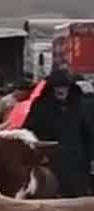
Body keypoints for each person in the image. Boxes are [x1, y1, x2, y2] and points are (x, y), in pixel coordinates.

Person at [23, 68, 94, 198]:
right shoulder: (40, 106)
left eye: (64, 86)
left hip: (77, 163)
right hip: (49, 163)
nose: (61, 90)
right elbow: (28, 131)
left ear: (70, 87)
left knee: (76, 200)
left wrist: (91, 159)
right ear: (51, 88)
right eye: (57, 87)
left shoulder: (80, 105)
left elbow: (88, 134)